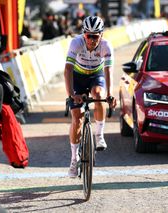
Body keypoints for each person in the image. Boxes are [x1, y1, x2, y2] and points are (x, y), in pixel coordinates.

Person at [64, 16, 117, 178]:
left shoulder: (106, 46)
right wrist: (72, 95)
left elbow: (108, 71)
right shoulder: (76, 43)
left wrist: (109, 94)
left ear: (101, 35)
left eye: (96, 36)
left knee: (99, 94)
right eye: (89, 36)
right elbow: (67, 71)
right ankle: (74, 159)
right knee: (77, 118)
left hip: (96, 75)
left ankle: (99, 135)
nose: (92, 40)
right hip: (77, 78)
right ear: (83, 34)